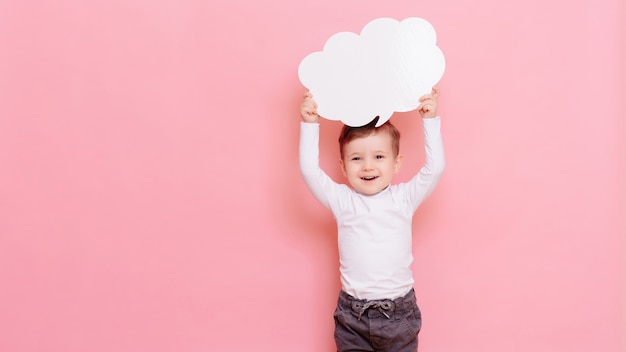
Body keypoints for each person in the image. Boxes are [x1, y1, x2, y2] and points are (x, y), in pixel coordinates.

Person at [298, 87, 445, 352]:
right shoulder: (343, 201)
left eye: (379, 157)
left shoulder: (404, 198)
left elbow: (434, 170)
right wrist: (310, 123)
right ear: (343, 166)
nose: (368, 166)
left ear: (396, 163)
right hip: (352, 317)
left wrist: (429, 120)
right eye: (356, 158)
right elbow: (310, 171)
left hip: (399, 315)